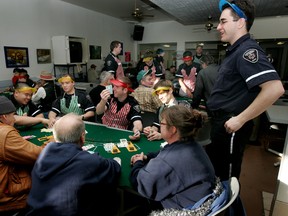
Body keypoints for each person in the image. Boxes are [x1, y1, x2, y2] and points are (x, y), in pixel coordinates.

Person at [206, 0, 285, 181]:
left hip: (230, 125)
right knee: (218, 173)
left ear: (240, 22)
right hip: (221, 123)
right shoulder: (235, 51)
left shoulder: (246, 51)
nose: (218, 27)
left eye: (223, 21)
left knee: (227, 178)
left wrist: (240, 119)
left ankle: (229, 209)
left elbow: (274, 88)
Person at [26, 113, 121, 215]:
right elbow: (115, 167)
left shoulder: (43, 154)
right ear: (82, 136)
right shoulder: (89, 161)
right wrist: (116, 159)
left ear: (55, 136)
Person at [130, 105, 216, 210]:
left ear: (173, 129)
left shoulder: (168, 160)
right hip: (202, 200)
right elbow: (165, 153)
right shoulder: (192, 144)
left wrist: (138, 163)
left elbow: (141, 184)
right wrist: (147, 157)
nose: (160, 125)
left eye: (162, 123)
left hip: (184, 208)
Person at [0, 96, 43, 215]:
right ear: (4, 117)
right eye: (13, 115)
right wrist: (54, 141)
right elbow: (40, 155)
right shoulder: (5, 134)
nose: (14, 119)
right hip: (7, 198)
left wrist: (17, 142)